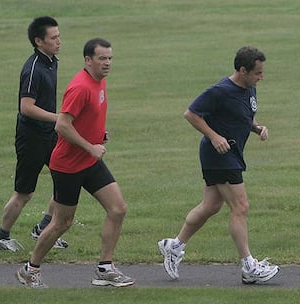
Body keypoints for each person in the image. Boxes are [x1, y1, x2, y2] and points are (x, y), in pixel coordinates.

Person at [15, 38, 135, 288]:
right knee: (62, 223)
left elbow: (86, 119)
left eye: (110, 58)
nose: (108, 63)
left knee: (118, 208)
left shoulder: (98, 82)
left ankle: (105, 268)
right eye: (102, 58)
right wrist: (90, 146)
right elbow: (62, 125)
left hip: (88, 161)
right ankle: (30, 269)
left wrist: (97, 136)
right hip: (68, 165)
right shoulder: (81, 87)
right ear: (88, 60)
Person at [158, 46, 280, 284]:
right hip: (219, 155)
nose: (261, 78)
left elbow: (243, 116)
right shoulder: (220, 91)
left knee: (211, 205)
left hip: (231, 153)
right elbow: (191, 114)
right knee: (240, 206)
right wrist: (214, 136)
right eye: (257, 73)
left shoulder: (249, 88)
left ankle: (174, 246)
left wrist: (257, 128)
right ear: (242, 70)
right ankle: (248, 266)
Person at [0, 16, 68, 252]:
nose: (59, 41)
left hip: (50, 133)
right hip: (31, 137)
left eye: (58, 36)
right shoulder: (33, 68)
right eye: (53, 38)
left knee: (65, 182)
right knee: (24, 192)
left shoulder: (52, 61)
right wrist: (58, 118)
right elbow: (26, 107)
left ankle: (43, 229)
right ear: (38, 41)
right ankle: (1, 237)